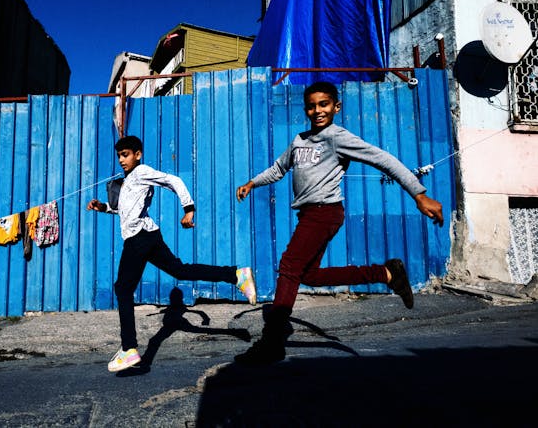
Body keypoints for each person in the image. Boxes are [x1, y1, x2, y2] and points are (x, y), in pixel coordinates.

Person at [233, 81, 444, 366]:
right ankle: (386, 273)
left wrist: (419, 193)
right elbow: (279, 169)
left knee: (289, 267)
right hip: (309, 213)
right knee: (309, 276)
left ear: (336, 106)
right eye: (312, 105)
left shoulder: (337, 137)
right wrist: (252, 183)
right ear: (305, 108)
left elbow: (383, 159)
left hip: (325, 211)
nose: (317, 110)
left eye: (324, 104)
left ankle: (271, 343)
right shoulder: (299, 140)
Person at [87, 135, 257, 373]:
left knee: (123, 288)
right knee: (181, 271)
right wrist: (103, 207)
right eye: (119, 156)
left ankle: (129, 349)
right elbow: (125, 212)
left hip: (139, 239)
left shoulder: (142, 171)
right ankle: (236, 275)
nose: (121, 160)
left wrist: (189, 209)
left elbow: (173, 180)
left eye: (125, 155)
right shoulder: (128, 181)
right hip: (148, 236)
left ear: (138, 154)